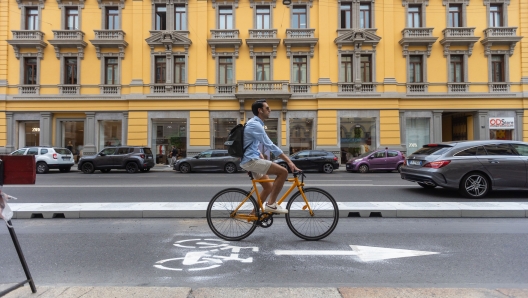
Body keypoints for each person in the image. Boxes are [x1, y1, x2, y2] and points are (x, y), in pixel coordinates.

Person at [240, 100, 301, 214]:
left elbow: (250, 143)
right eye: (267, 108)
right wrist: (289, 162)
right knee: (283, 172)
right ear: (260, 110)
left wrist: (259, 153)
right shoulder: (255, 124)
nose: (270, 110)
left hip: (251, 159)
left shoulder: (254, 123)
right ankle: (271, 204)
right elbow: (271, 145)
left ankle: (253, 215)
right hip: (251, 161)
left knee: (268, 187)